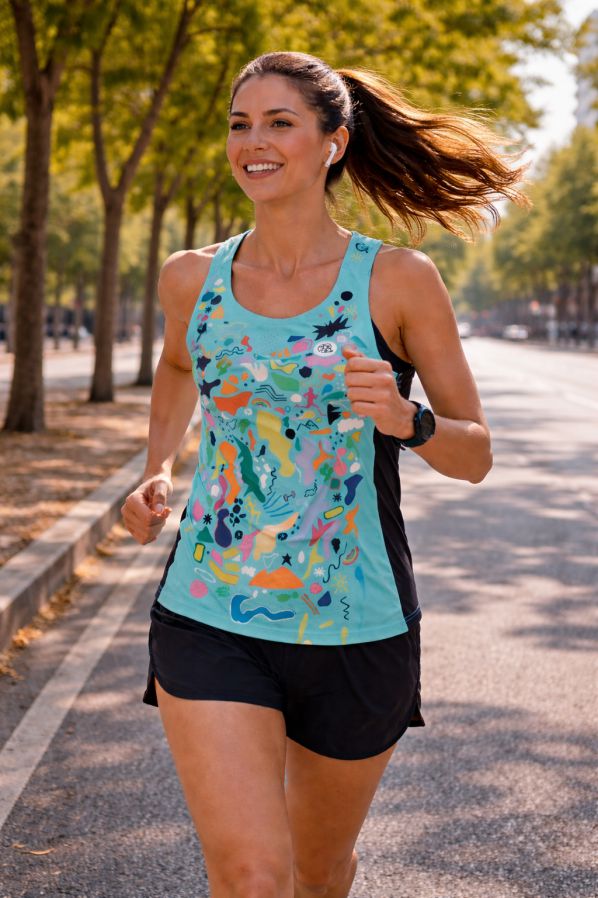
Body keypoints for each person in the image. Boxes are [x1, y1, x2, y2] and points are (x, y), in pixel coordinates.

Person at [122, 51, 526, 898]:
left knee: (317, 873)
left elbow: (476, 452)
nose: (252, 142)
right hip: (209, 611)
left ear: (334, 144)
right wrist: (156, 467)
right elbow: (173, 369)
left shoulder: (397, 282)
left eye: (279, 123)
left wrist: (407, 421)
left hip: (357, 629)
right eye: (240, 124)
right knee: (251, 876)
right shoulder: (192, 277)